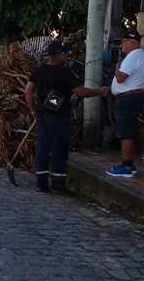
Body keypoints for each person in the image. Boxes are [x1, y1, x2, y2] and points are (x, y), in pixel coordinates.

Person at [25, 40, 109, 193]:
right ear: (56, 54)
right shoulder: (65, 73)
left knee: (42, 148)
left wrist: (32, 109)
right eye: (64, 53)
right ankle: (58, 183)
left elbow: (28, 90)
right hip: (59, 117)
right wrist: (99, 91)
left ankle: (41, 182)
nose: (67, 56)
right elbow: (80, 92)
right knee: (59, 148)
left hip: (42, 115)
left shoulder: (39, 70)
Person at [107, 31, 144, 178]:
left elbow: (121, 77)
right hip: (132, 97)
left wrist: (118, 64)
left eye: (125, 41)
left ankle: (127, 166)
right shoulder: (139, 56)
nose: (121, 45)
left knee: (126, 132)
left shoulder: (134, 55)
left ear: (133, 43)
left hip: (128, 99)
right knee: (128, 130)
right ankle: (129, 165)